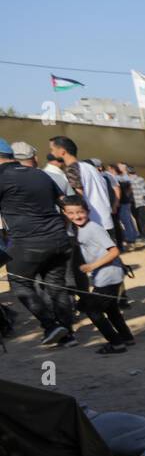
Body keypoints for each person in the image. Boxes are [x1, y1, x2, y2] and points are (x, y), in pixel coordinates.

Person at [0, 138, 77, 346]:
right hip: (58, 239)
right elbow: (63, 204)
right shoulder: (40, 174)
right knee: (57, 287)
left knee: (19, 283)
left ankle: (50, 325)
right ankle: (68, 334)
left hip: (27, 243)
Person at [61, 194, 133, 354]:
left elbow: (114, 251)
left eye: (80, 212)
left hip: (108, 276)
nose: (76, 216)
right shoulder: (78, 228)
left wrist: (92, 266)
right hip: (107, 276)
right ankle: (127, 337)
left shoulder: (93, 228)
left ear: (87, 211)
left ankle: (116, 343)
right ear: (65, 213)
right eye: (71, 213)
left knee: (92, 309)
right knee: (111, 308)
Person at [48, 136, 112, 232]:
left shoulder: (72, 169)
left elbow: (78, 198)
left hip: (92, 222)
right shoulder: (89, 167)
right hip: (105, 219)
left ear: (62, 151)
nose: (51, 153)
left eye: (52, 149)